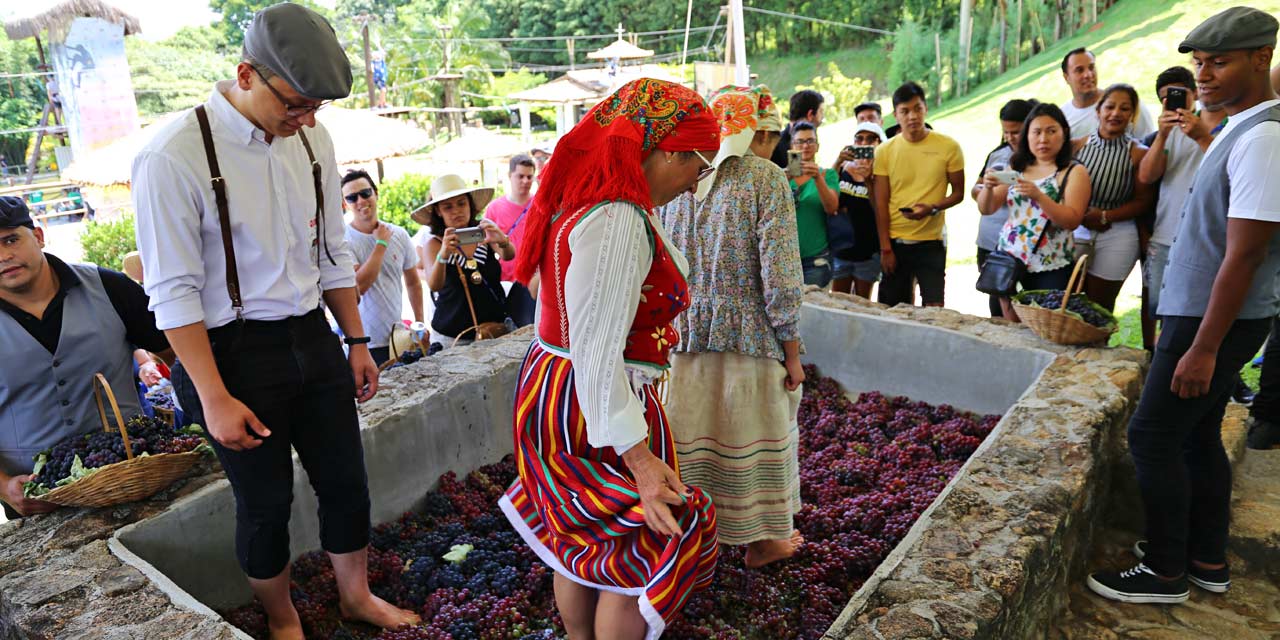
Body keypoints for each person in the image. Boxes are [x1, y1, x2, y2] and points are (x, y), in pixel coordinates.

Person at [130, 5, 419, 637]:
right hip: (228, 353)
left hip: (312, 334)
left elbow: (331, 252)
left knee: (347, 480)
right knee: (265, 505)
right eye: (295, 105)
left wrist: (358, 340)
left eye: (317, 108)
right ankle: (283, 620)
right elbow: (173, 295)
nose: (307, 120)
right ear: (245, 75)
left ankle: (355, 596)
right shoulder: (171, 155)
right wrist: (212, 397)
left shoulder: (311, 137)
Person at [497, 78, 720, 640]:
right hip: (592, 400)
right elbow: (596, 351)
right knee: (640, 545)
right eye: (700, 165)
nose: (697, 185)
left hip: (556, 386)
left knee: (582, 540)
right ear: (668, 150)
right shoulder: (618, 218)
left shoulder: (580, 199)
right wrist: (641, 460)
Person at [1087, 7, 1280, 604]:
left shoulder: (1265, 137)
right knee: (1194, 437)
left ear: (1260, 58)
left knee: (1151, 437)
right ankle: (1204, 556)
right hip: (1206, 313)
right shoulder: (1242, 124)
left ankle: (1166, 571)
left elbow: (1243, 256)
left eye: (1219, 62)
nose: (1204, 74)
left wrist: (1202, 347)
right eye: (1199, 62)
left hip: (1212, 320)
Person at [658, 85, 806, 569]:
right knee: (751, 434)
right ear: (758, 133)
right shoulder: (767, 179)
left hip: (682, 336)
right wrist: (793, 350)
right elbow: (781, 276)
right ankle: (761, 541)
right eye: (769, 135)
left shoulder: (680, 177)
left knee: (694, 437)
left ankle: (698, 536)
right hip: (751, 337)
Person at [0, 197, 171, 520]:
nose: (3, 256)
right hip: (38, 503)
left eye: (10, 239)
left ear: (37, 236)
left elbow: (177, 354)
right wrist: (5, 485)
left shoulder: (111, 288)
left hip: (136, 479)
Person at [976, 103, 1090, 320]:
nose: (1043, 139)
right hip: (1009, 262)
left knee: (1043, 327)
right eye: (1036, 132)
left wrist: (1039, 196)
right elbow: (987, 207)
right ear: (1027, 135)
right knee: (1004, 325)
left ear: (1064, 133)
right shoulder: (1018, 167)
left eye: (1051, 131)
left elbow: (1072, 220)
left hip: (1050, 265)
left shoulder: (1073, 172)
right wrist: (988, 188)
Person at [1137, 67, 1228, 318]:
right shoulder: (1170, 132)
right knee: (1162, 315)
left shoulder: (1231, 126)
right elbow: (1147, 176)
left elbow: (1230, 172)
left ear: (1195, 93)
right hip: (1167, 235)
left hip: (1210, 239)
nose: (1174, 102)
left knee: (1203, 315)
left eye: (1180, 94)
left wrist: (1201, 137)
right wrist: (1163, 135)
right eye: (1166, 98)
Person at [874, 81, 965, 308]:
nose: (912, 116)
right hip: (896, 242)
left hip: (932, 241)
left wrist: (933, 207)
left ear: (925, 108)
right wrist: (886, 248)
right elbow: (881, 202)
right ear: (896, 115)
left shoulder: (948, 147)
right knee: (892, 309)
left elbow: (959, 193)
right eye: (905, 111)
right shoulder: (884, 151)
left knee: (934, 308)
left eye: (917, 108)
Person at [1071, 84, 1154, 313]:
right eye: (1110, 107)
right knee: (1070, 297)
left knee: (1100, 305)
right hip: (1078, 229)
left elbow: (1143, 201)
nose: (1116, 113)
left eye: (1124, 108)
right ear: (1098, 110)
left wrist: (1105, 215)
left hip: (1118, 234)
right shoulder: (1076, 146)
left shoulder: (1138, 152)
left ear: (1132, 115)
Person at [412, 174, 513, 349]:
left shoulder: (483, 232)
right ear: (438, 212)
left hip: (493, 331)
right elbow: (434, 284)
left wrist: (502, 239)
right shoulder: (434, 244)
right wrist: (443, 254)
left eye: (461, 203)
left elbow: (509, 255)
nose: (456, 211)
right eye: (448, 207)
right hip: (453, 337)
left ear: (470, 204)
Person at [342, 169, 423, 366]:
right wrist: (381, 245)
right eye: (352, 198)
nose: (361, 201)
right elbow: (359, 286)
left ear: (375, 193)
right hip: (363, 342)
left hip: (399, 338)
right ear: (345, 204)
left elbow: (413, 282)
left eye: (365, 193)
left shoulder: (399, 234)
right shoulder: (342, 241)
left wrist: (419, 326)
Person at [973, 99, 1039, 317]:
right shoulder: (998, 154)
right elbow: (979, 190)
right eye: (1006, 132)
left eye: (1016, 132)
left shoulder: (1043, 159)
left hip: (1027, 245)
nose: (1010, 138)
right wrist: (987, 189)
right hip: (992, 241)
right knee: (998, 306)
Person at [829, 121, 887, 297]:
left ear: (879, 143)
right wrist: (838, 161)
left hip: (867, 250)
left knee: (862, 303)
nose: (864, 143)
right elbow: (828, 195)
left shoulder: (882, 171)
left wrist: (868, 179)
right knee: (837, 301)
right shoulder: (844, 167)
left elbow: (880, 208)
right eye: (859, 139)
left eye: (870, 139)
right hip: (841, 248)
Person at [483, 154, 538, 327]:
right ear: (510, 176)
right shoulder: (494, 208)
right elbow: (488, 244)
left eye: (529, 177)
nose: (525, 181)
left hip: (533, 281)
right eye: (520, 176)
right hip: (505, 281)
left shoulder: (540, 204)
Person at [1060, 48, 1156, 138]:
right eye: (1079, 70)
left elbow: (1150, 142)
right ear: (1066, 77)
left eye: (1091, 67)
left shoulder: (1126, 102)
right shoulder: (1062, 117)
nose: (1088, 75)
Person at [789, 122, 840, 288]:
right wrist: (784, 178)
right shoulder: (781, 175)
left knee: (812, 310)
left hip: (815, 259)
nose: (805, 146)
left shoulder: (827, 175)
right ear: (792, 145)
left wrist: (818, 178)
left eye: (810, 141)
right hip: (785, 258)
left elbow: (831, 208)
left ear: (817, 146)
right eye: (800, 141)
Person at [770, 89, 824, 169]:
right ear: (810, 114)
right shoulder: (775, 145)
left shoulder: (777, 140)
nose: (822, 117)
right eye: (821, 111)